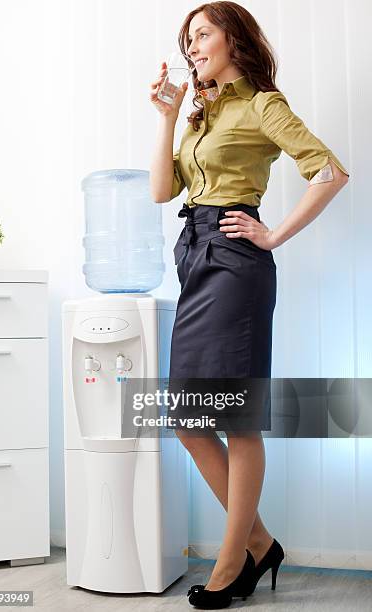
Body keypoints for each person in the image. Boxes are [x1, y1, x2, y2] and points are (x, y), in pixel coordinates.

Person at [149, 2, 349, 608]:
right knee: (187, 418)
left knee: (236, 418)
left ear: (233, 38)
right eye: (187, 38)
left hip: (236, 265)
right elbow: (163, 190)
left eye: (202, 33)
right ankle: (261, 545)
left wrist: (275, 233)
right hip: (194, 258)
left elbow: (330, 171)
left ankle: (232, 562)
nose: (192, 45)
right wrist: (166, 117)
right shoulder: (201, 113)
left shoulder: (264, 103)